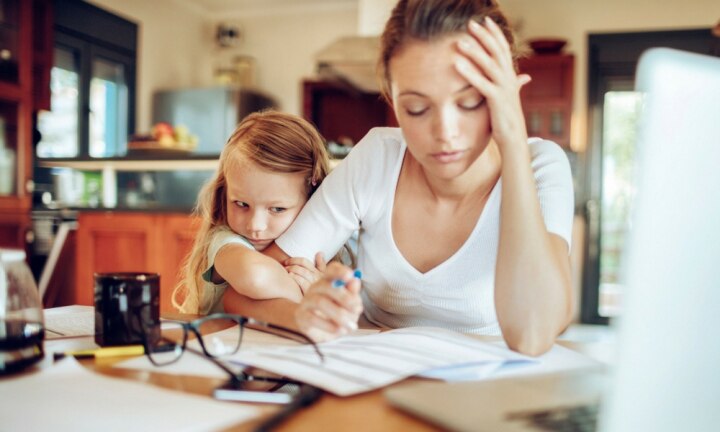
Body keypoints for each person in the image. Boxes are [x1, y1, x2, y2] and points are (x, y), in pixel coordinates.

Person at [227, 0, 575, 356]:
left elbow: (533, 335)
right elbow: (240, 293)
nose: (445, 132)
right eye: (417, 108)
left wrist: (513, 140)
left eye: (470, 102)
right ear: (392, 99)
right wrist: (305, 314)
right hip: (373, 381)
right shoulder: (377, 157)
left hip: (486, 391)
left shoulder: (540, 165)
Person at [172, 110, 331, 315]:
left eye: (277, 209)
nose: (255, 225)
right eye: (241, 204)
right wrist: (313, 297)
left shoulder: (323, 248)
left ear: (312, 199)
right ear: (225, 192)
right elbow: (253, 275)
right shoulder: (225, 242)